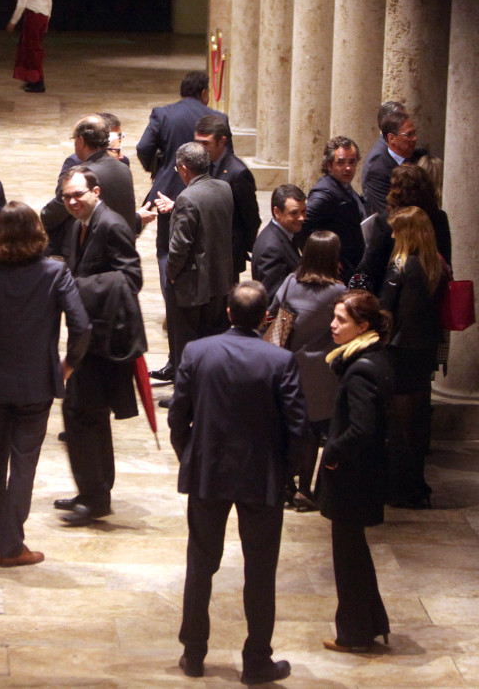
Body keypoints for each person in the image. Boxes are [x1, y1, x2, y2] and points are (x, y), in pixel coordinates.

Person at [168, 281, 309, 685]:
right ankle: (257, 660)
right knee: (260, 570)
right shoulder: (280, 360)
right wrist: (286, 471)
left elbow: (178, 417)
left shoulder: (197, 352)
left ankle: (194, 653)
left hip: (208, 473)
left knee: (201, 564)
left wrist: (191, 456)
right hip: (261, 476)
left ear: (228, 313)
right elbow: (299, 428)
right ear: (265, 317)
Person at [0, 202, 90, 566]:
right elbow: (82, 327)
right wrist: (68, 365)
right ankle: (11, 546)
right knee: (24, 463)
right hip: (37, 383)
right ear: (37, 233)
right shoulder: (55, 272)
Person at [52, 167, 146, 525]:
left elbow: (131, 278)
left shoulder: (112, 225)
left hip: (105, 338)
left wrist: (77, 287)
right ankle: (92, 491)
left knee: (83, 414)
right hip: (87, 335)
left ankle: (95, 498)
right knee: (85, 415)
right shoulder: (78, 225)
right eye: (67, 197)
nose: (72, 201)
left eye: (78, 194)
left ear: (96, 191)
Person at [136, 71, 228, 381]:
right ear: (204, 93)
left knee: (168, 253)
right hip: (205, 193)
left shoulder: (163, 114)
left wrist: (161, 170)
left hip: (168, 191)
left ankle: (177, 322)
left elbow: (144, 147)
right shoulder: (218, 118)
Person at [319, 289, 394, 653]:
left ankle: (355, 635)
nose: (333, 325)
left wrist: (333, 453)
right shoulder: (372, 356)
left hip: (353, 476)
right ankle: (370, 625)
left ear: (362, 326)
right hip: (363, 474)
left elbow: (362, 428)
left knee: (348, 557)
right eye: (334, 318)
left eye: (341, 320)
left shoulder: (362, 369)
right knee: (355, 553)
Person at [268, 231, 345, 510]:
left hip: (289, 366)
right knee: (312, 431)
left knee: (289, 427)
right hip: (322, 371)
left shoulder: (290, 282)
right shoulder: (339, 291)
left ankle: (285, 484)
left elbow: (273, 311)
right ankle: (304, 490)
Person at [380, 207, 446, 509]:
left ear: (407, 234)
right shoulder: (436, 265)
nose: (393, 235)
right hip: (425, 350)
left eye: (396, 230)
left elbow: (386, 310)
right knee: (418, 422)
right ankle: (417, 484)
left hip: (400, 351)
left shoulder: (400, 266)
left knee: (399, 425)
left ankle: (401, 489)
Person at [166, 142, 233, 373]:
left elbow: (179, 246)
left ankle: (186, 390)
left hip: (192, 287)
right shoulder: (224, 188)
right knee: (212, 344)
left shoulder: (187, 197)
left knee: (187, 348)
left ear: (184, 168)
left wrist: (171, 274)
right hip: (219, 281)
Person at [41, 115, 141, 255]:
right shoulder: (123, 168)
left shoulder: (82, 175)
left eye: (74, 139)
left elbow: (53, 213)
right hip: (122, 249)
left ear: (81, 141)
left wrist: (43, 216)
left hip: (90, 252)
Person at [353, 163, 452, 293]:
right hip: (432, 292)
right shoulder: (439, 218)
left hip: (394, 293)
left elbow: (371, 267)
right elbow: (445, 262)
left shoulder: (386, 222)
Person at [194, 114, 260, 283]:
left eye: (205, 143)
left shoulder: (238, 173)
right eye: (197, 143)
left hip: (226, 256)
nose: (200, 148)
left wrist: (239, 249)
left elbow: (251, 218)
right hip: (203, 252)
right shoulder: (201, 165)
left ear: (222, 141)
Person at [303, 137, 366, 279]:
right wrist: (321, 257)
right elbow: (302, 225)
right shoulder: (324, 193)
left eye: (352, 162)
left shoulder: (343, 185)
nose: (348, 168)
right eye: (341, 163)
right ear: (329, 165)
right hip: (338, 269)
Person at [7, 0, 52, 93]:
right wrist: (47, 21)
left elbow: (21, 4)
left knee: (32, 50)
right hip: (43, 17)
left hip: (33, 17)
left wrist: (13, 21)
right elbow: (49, 3)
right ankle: (32, 80)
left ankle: (38, 81)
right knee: (32, 48)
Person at [252, 184, 307, 299]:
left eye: (303, 211)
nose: (302, 218)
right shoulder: (272, 250)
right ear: (277, 212)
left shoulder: (287, 233)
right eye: (294, 213)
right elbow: (273, 298)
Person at [362, 102, 415, 217]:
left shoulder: (417, 157)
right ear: (391, 137)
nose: (415, 138)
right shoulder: (377, 166)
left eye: (414, 133)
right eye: (409, 134)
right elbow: (386, 213)